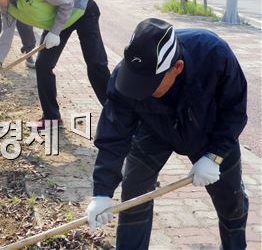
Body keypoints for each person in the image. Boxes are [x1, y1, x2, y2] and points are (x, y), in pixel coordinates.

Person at [86, 18, 249, 250]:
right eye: (137, 82)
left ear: (177, 67)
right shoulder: (124, 78)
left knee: (232, 203)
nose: (141, 90)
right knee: (134, 197)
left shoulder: (213, 54)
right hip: (153, 128)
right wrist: (101, 192)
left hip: (211, 130)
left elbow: (235, 111)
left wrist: (215, 155)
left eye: (149, 84)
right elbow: (114, 135)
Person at [0, 0, 110, 129]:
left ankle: (117, 115)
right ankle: (52, 118)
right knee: (43, 66)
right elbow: (6, 33)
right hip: (57, 18)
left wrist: (55, 32)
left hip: (81, 9)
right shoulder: (6, 5)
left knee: (95, 64)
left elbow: (67, 2)